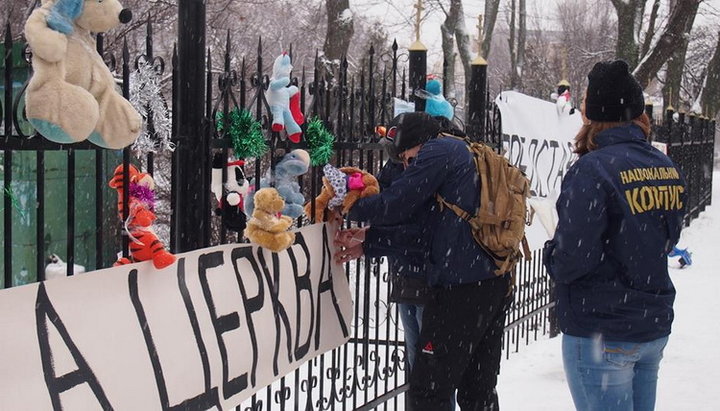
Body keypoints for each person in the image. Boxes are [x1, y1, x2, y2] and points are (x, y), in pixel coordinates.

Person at [341, 111, 512, 411]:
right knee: (477, 390)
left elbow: (395, 203)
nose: (408, 167)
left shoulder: (439, 151)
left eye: (409, 158)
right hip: (491, 281)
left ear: (420, 145)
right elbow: (425, 234)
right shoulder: (462, 155)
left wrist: (350, 203)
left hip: (459, 292)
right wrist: (369, 243)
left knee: (427, 392)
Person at [543, 60, 686, 411]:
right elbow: (667, 239)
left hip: (603, 330)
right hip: (650, 324)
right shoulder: (664, 166)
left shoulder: (592, 170)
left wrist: (551, 253)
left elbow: (573, 259)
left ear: (592, 112)